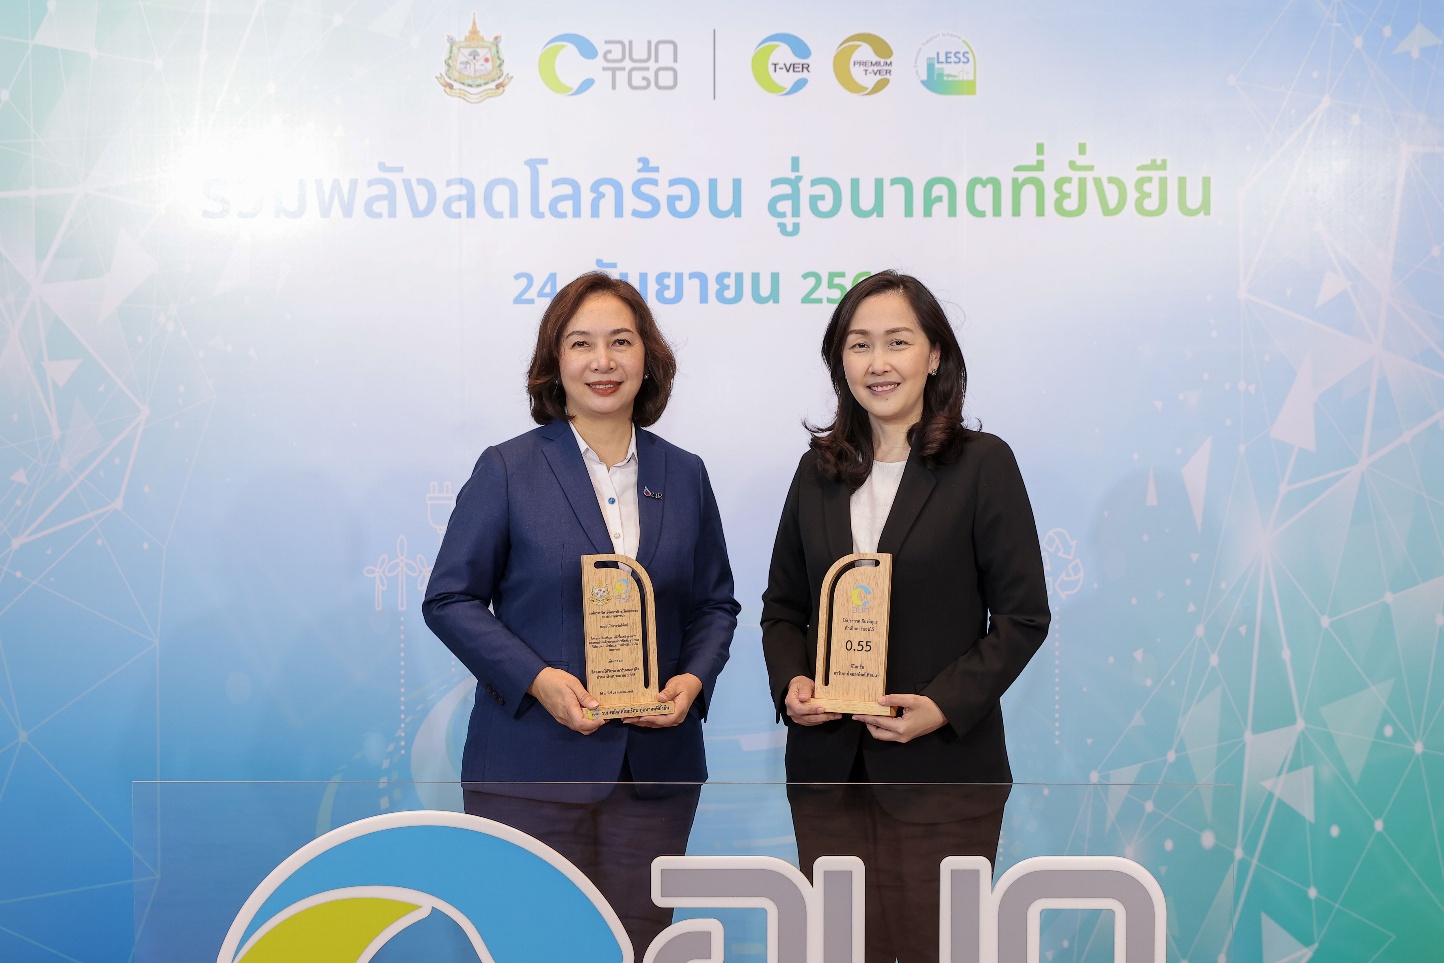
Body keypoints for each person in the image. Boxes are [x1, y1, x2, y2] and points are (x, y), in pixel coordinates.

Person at [423, 272, 738, 955]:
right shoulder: (508, 469)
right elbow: (449, 598)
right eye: (582, 343)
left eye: (621, 341)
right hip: (530, 769)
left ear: (647, 357)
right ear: (555, 360)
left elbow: (715, 603)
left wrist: (692, 681)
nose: (603, 361)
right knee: (532, 947)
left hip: (653, 774)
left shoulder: (685, 473)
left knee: (637, 947)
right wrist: (538, 680)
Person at [760, 271, 1051, 962]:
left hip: (943, 776)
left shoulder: (982, 464)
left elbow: (1023, 617)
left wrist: (941, 706)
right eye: (860, 344)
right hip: (829, 777)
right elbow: (784, 607)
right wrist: (792, 684)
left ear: (935, 355)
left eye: (897, 341)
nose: (878, 363)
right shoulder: (817, 471)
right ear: (840, 361)